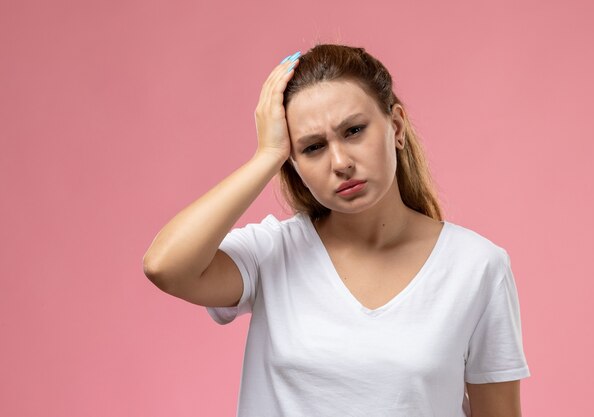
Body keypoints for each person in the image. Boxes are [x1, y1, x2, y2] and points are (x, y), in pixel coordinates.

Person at [143, 44, 531, 417]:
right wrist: (266, 157)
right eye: (312, 148)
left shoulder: (478, 267)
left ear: (396, 126)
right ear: (292, 162)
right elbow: (166, 266)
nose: (341, 162)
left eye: (354, 131)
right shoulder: (273, 253)